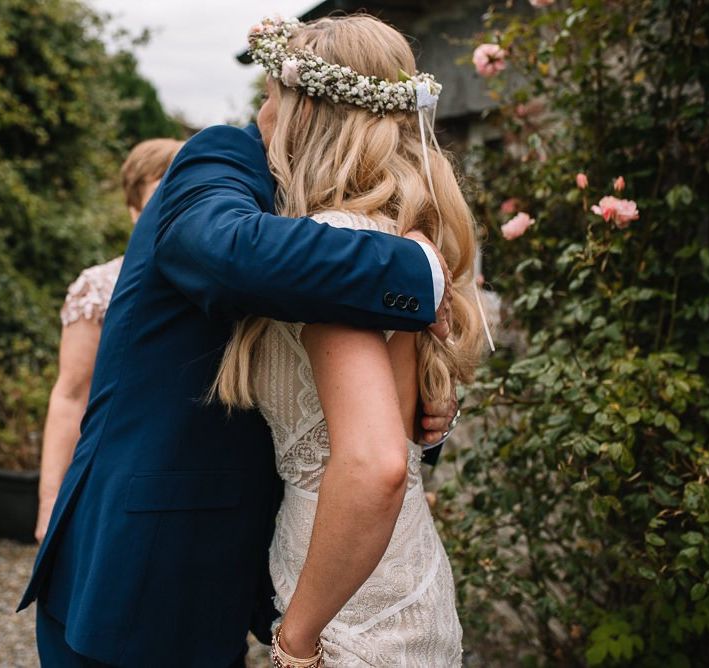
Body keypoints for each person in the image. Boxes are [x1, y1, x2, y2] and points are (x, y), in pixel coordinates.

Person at [18, 42, 460, 668]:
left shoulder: (336, 220)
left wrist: (429, 418)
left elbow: (366, 435)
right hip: (147, 555)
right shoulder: (220, 157)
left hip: (267, 562)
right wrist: (418, 271)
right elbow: (223, 252)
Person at [213, 15, 489, 666]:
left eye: (273, 93)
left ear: (309, 113)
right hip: (385, 567)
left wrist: (298, 639)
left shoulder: (335, 249)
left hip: (352, 602)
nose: (262, 111)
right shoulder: (398, 236)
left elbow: (374, 466)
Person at [35, 138, 184, 543]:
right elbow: (70, 395)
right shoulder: (99, 287)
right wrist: (50, 501)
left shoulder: (224, 284)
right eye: (160, 196)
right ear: (135, 209)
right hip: (110, 475)